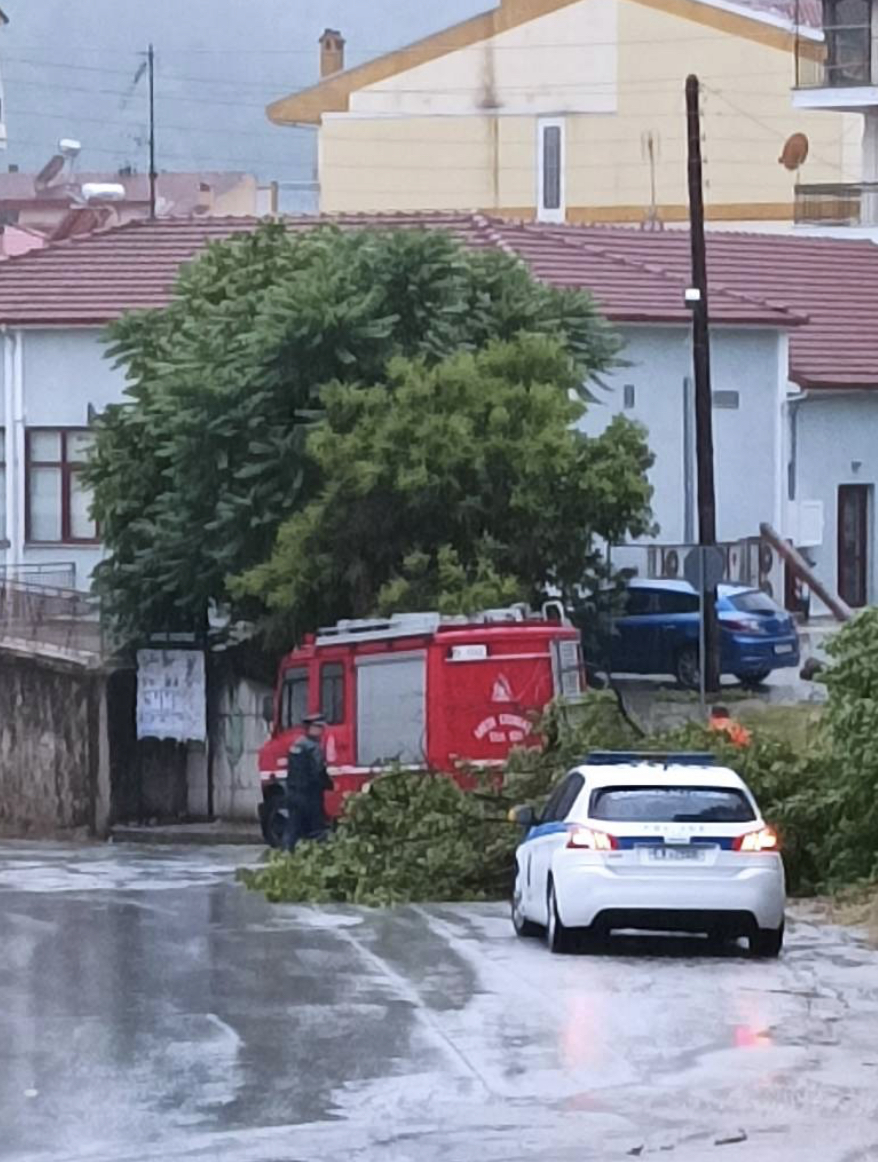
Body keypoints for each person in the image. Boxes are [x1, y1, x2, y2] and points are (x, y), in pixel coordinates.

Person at [282, 714, 334, 852]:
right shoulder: (313, 747)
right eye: (319, 727)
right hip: (310, 795)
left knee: (293, 828)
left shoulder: (296, 744)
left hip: (293, 793)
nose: (321, 731)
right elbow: (318, 771)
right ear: (311, 728)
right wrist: (330, 785)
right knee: (317, 830)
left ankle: (286, 856)